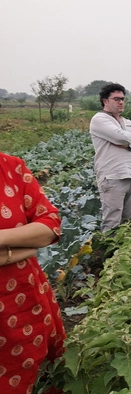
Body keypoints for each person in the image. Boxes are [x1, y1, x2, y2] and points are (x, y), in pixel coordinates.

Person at [0, 152, 66, 392]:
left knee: (38, 372)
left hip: (24, 302)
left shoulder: (10, 167)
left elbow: (49, 225)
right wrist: (20, 250)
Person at [89, 83, 131, 233]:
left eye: (122, 99)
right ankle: (109, 255)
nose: (121, 102)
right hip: (112, 176)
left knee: (128, 220)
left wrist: (130, 145)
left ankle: (122, 253)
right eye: (116, 99)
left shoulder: (128, 123)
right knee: (112, 222)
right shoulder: (99, 119)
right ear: (105, 101)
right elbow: (119, 138)